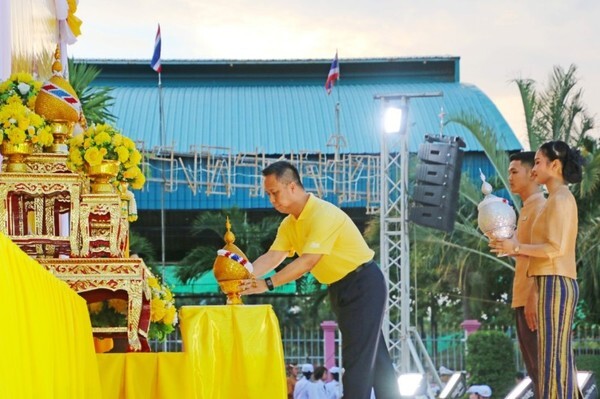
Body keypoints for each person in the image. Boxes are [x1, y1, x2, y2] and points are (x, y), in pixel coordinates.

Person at [241, 161, 399, 399]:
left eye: (275, 192)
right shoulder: (289, 224)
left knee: (358, 357)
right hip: (340, 287)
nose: (271, 199)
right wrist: (244, 274)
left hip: (363, 283)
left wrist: (267, 283)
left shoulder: (322, 214)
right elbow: (274, 256)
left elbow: (307, 262)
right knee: (376, 358)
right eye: (268, 194)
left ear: (292, 187)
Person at [490, 140, 584, 399]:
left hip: (555, 280)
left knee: (552, 361)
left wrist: (516, 248)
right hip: (549, 280)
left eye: (539, 163)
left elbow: (555, 248)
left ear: (555, 166)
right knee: (553, 359)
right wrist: (512, 246)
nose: (534, 170)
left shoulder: (561, 199)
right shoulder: (555, 199)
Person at [505, 151, 545, 394]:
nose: (509, 177)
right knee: (535, 371)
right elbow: (519, 252)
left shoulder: (540, 206)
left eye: (514, 171)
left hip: (532, 300)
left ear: (532, 173)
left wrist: (534, 295)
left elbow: (543, 255)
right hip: (522, 298)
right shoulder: (526, 209)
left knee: (543, 370)